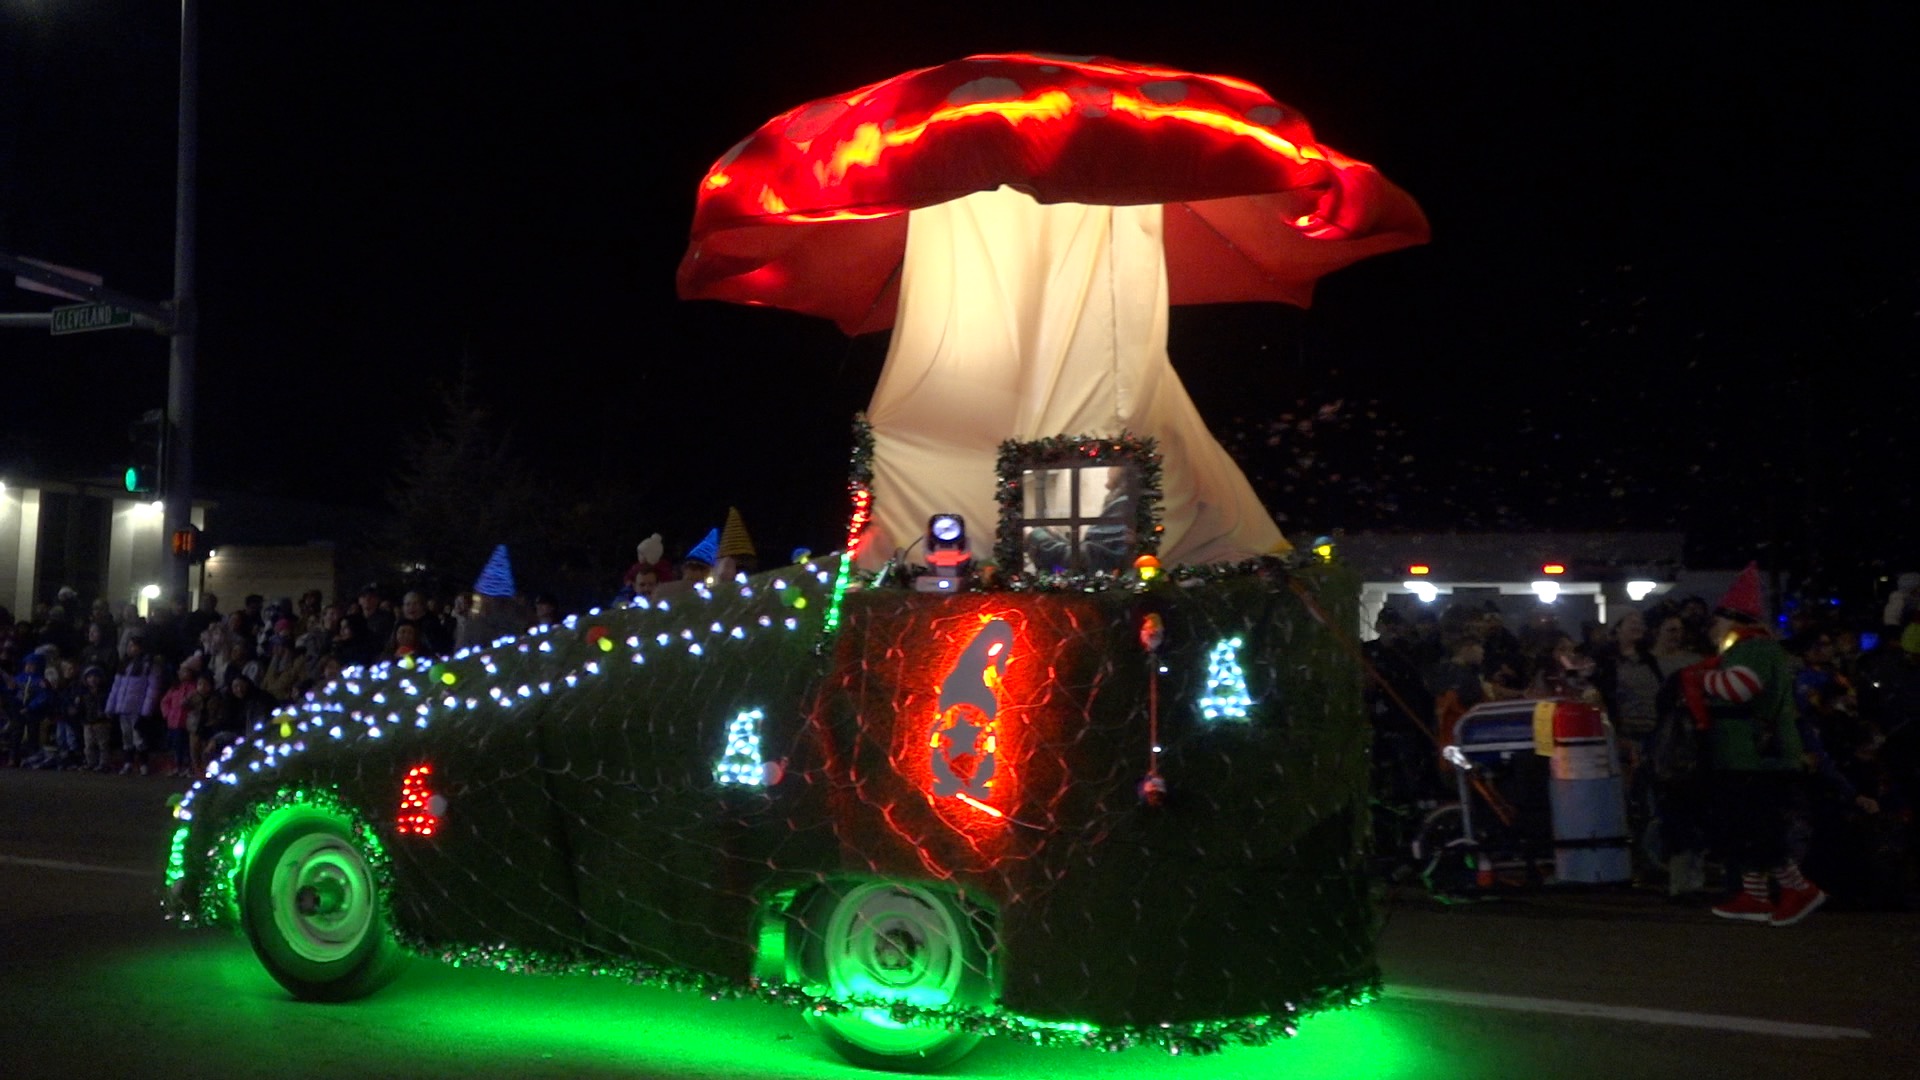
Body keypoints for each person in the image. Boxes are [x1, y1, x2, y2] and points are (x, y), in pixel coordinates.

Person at [1683, 562, 1825, 926]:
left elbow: (1740, 688)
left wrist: (1699, 679)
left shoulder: (1753, 649)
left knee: (1757, 827)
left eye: (1717, 620)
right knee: (1751, 828)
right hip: (1751, 755)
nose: (1713, 628)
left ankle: (1796, 889)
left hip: (1755, 757)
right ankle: (1759, 894)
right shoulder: (1758, 649)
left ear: (1733, 621)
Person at [1025, 467, 1135, 573]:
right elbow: (1092, 554)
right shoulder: (1125, 503)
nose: (1109, 469)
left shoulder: (1125, 505)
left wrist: (1033, 535)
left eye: (1113, 464)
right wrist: (1054, 537)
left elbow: (1078, 564)